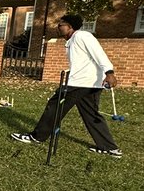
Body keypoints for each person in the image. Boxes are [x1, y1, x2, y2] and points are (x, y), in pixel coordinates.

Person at [10, 14, 122, 158]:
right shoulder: (72, 41)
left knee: (54, 107)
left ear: (70, 27)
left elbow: (99, 54)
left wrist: (110, 72)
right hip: (90, 83)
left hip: (80, 83)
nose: (58, 27)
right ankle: (109, 148)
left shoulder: (82, 36)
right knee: (91, 114)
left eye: (61, 24)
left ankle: (36, 137)